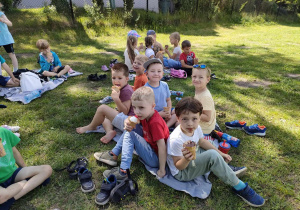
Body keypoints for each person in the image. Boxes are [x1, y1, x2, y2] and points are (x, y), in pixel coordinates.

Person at [167, 97, 265, 207]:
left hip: (192, 157)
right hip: (182, 172)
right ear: (178, 118)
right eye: (185, 119)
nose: (190, 124)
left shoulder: (196, 128)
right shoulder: (176, 140)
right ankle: (240, 187)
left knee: (212, 147)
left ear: (200, 118)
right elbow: (178, 167)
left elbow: (202, 142)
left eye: (194, 119)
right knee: (212, 155)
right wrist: (186, 159)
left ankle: (222, 167)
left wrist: (221, 153)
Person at [94, 86, 169, 180]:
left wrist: (162, 170)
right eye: (134, 107)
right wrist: (127, 121)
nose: (137, 112)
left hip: (156, 159)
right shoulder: (146, 114)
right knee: (131, 127)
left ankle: (123, 171)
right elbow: (132, 118)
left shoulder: (155, 123)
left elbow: (162, 147)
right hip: (150, 149)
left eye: (141, 107)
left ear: (153, 106)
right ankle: (113, 154)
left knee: (130, 134)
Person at [192, 64, 247, 175]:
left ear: (208, 79)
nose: (196, 79)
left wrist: (192, 114)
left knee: (196, 145)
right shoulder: (199, 90)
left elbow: (206, 117)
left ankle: (226, 168)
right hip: (205, 124)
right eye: (194, 76)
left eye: (200, 77)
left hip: (204, 129)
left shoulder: (205, 96)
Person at [76, 63, 135, 144]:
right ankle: (109, 131)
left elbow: (125, 112)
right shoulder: (122, 88)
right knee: (105, 117)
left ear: (127, 79)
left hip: (129, 123)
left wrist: (116, 99)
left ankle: (91, 127)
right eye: (113, 78)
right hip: (125, 118)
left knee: (102, 108)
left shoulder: (126, 91)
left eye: (120, 78)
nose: (116, 81)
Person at [0, 127, 52, 209]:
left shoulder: (3, 132)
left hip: (13, 173)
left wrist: (25, 170)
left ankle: (10, 199)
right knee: (1, 196)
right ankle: (27, 183)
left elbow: (14, 151)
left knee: (46, 169)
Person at [144, 58, 177, 128]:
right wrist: (160, 114)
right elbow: (145, 109)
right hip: (153, 115)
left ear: (162, 74)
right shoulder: (146, 89)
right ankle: (165, 126)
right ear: (147, 74)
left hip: (165, 111)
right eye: (152, 71)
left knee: (178, 112)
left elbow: (168, 100)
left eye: (159, 71)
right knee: (153, 122)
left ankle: (166, 126)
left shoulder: (164, 85)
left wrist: (168, 112)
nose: (156, 74)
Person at [0, 3, 18, 72]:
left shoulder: (1, 14)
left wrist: (3, 20)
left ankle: (16, 71)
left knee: (11, 54)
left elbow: (10, 23)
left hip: (5, 38)